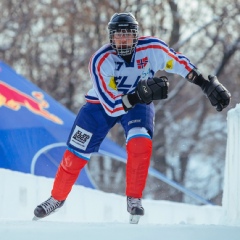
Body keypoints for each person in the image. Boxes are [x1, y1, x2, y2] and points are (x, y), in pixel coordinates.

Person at [33, 12, 231, 224]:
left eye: (127, 35)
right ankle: (57, 198)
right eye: (118, 36)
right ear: (111, 38)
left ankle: (134, 198)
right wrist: (139, 94)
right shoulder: (101, 60)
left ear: (136, 36)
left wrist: (205, 83)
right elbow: (111, 106)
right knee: (75, 155)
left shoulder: (153, 48)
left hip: (138, 105)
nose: (123, 40)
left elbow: (179, 63)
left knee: (140, 143)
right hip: (101, 104)